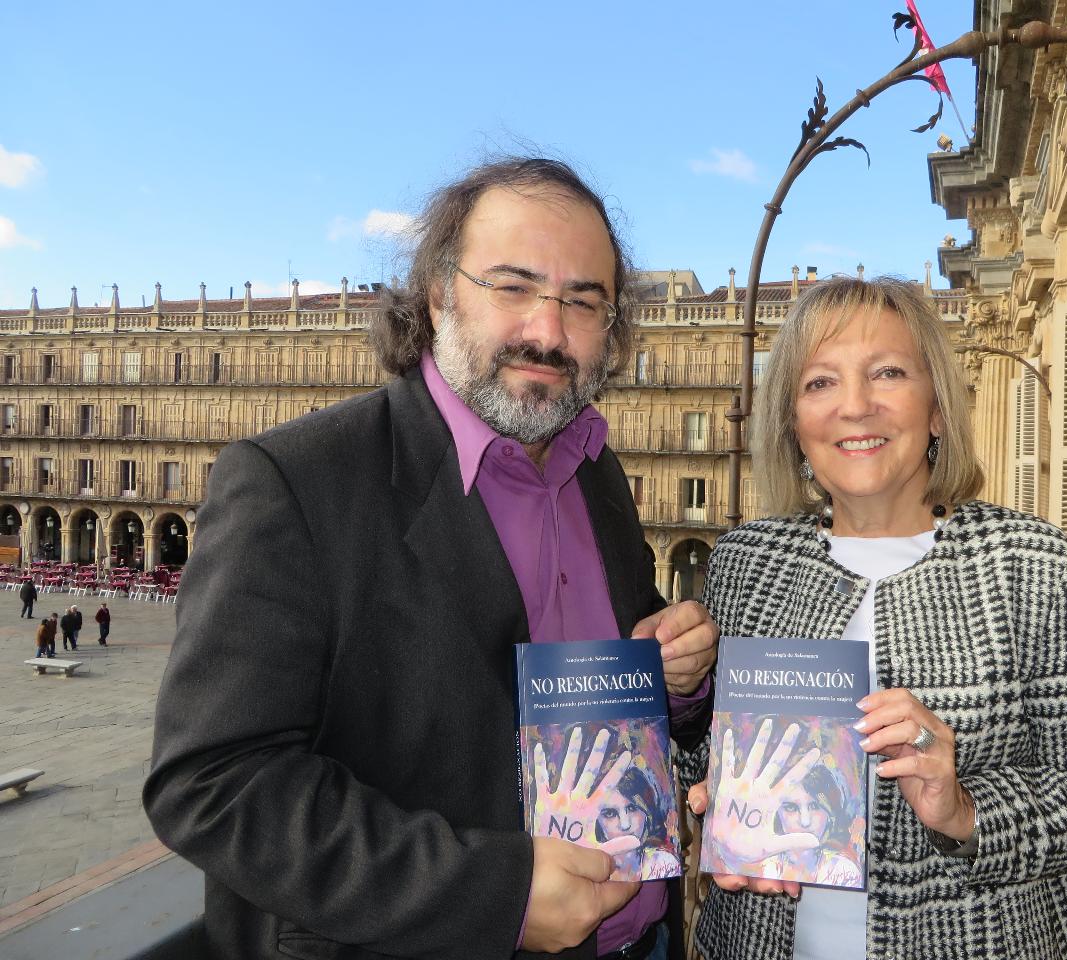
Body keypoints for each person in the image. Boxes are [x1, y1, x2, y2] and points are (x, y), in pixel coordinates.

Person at [144, 157, 717, 960]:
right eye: (512, 286)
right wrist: (499, 895)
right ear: (440, 291)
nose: (548, 332)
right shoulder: (296, 483)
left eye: (583, 301)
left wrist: (675, 678)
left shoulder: (598, 472)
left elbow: (614, 675)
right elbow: (214, 782)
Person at [684, 276, 1067, 960]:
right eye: (819, 384)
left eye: (888, 373)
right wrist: (688, 740)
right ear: (792, 423)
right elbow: (703, 754)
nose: (855, 407)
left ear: (935, 409)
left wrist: (963, 809)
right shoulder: (747, 562)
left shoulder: (1030, 562)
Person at [595, 764, 682, 882]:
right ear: (596, 822)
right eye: (610, 813)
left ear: (646, 812)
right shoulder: (588, 872)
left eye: (632, 808)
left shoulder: (663, 864)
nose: (625, 825)